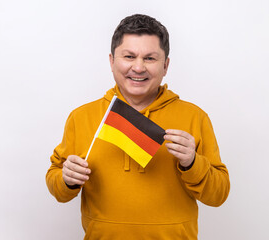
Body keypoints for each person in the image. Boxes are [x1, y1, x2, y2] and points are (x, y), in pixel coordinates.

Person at [46, 14, 230, 239]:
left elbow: (218, 195)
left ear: (166, 65)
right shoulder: (81, 117)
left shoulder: (195, 117)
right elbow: (57, 187)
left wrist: (192, 163)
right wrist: (66, 179)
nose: (139, 67)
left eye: (150, 58)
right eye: (129, 56)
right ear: (112, 61)